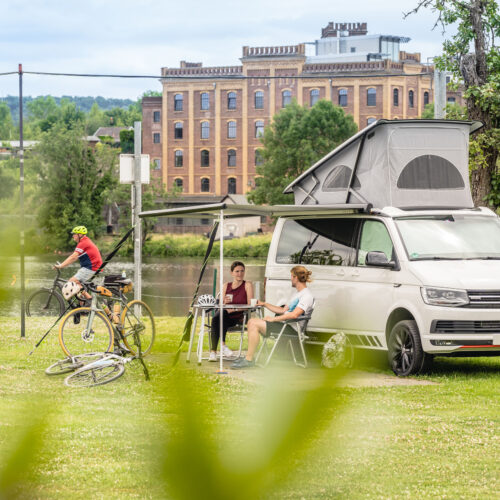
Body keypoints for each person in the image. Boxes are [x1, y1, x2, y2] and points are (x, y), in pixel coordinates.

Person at [231, 265, 313, 369]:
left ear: (296, 277)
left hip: (290, 329)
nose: (291, 279)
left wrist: (273, 319)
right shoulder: (297, 294)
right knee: (252, 322)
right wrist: (264, 304)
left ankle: (249, 359)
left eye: (291, 276)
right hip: (284, 326)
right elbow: (283, 310)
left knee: (252, 322)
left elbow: (294, 314)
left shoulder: (307, 296)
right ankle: (249, 358)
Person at [209, 261, 254, 361]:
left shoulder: (247, 285)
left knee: (216, 319)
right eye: (237, 271)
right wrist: (223, 301)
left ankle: (213, 352)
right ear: (232, 273)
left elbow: (250, 305)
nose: (240, 274)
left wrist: (234, 309)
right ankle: (222, 346)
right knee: (219, 317)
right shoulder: (226, 285)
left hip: (238, 317)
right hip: (224, 316)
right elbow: (220, 304)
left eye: (242, 271)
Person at [54, 225, 103, 294]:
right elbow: (74, 258)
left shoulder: (83, 243)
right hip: (92, 267)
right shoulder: (85, 241)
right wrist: (63, 264)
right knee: (77, 285)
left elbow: (73, 257)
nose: (73, 236)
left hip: (91, 268)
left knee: (71, 283)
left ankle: (89, 299)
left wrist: (61, 266)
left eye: (74, 234)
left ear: (80, 234)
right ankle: (83, 303)